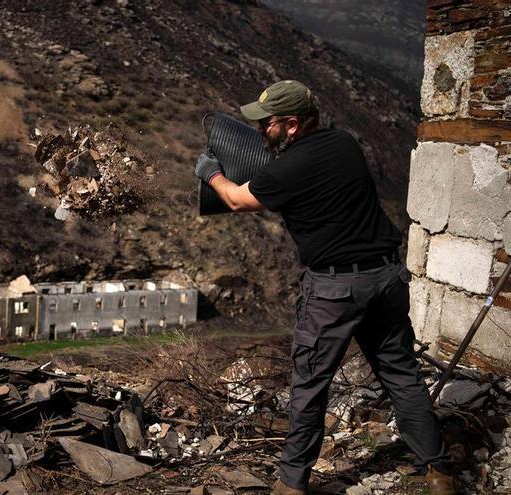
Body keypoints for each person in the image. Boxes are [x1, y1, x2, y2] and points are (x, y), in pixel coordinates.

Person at [194, 80, 455, 495]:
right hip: (386, 278)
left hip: (335, 288)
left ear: (292, 125)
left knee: (311, 383)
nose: (260, 132)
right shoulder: (344, 142)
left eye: (267, 125)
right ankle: (439, 473)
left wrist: (212, 174)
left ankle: (292, 484)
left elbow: (237, 200)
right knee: (401, 374)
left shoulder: (289, 168)